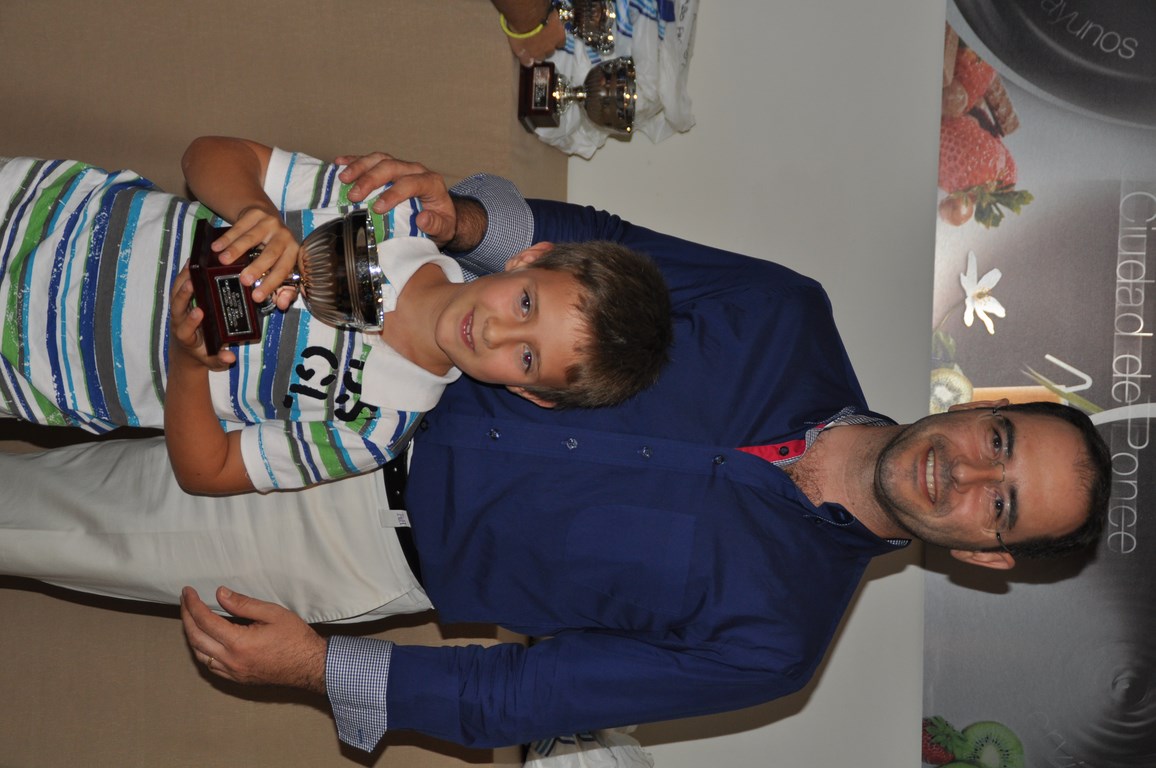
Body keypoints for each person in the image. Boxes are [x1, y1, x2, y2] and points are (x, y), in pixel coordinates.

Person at [0, 155, 1111, 750]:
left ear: (986, 556)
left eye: (1001, 505)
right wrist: (459, 219)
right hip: (377, 337)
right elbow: (606, 246)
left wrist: (319, 671)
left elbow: (528, 691)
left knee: (30, 522)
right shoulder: (785, 314)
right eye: (999, 441)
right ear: (984, 406)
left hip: (340, 538)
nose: (969, 475)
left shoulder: (777, 642)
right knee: (83, 344)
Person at [0, 138, 671, 495]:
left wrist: (189, 366)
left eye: (526, 357)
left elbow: (206, 472)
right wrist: (256, 211)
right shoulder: (391, 210)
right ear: (528, 258)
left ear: (530, 394)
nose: (497, 331)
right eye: (525, 303)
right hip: (38, 215)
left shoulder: (376, 429)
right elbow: (207, 155)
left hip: (36, 370)